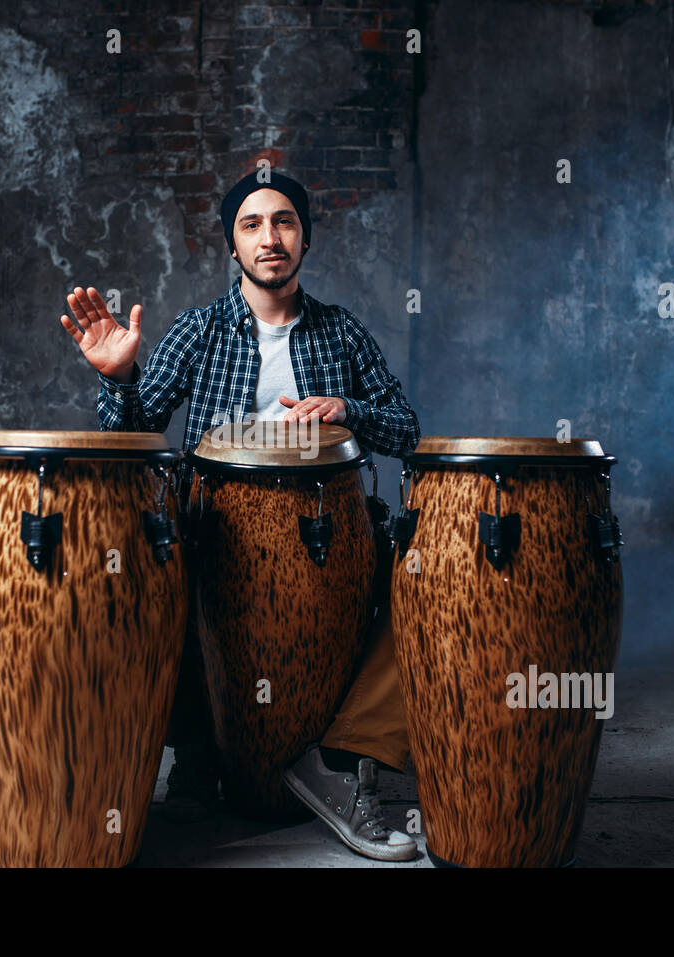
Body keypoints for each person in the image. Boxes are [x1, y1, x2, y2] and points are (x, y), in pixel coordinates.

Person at [58, 170, 420, 862]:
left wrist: (351, 409)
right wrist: (118, 378)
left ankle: (341, 760)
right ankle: (194, 749)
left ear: (305, 238)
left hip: (325, 538)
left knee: (422, 594)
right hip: (212, 534)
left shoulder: (341, 333)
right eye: (251, 224)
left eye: (283, 221)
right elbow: (135, 440)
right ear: (233, 246)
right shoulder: (200, 330)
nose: (269, 237)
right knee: (133, 578)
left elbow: (408, 429)